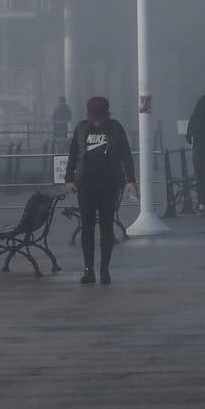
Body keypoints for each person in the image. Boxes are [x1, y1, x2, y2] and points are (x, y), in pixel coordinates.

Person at [64, 96, 135, 285]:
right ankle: (88, 269)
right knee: (86, 228)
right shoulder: (81, 128)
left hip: (110, 184)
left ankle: (104, 269)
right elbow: (73, 154)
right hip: (85, 184)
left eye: (99, 115)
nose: (96, 119)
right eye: (94, 115)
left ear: (106, 113)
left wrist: (130, 180)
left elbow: (126, 155)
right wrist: (69, 179)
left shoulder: (115, 128)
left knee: (106, 227)